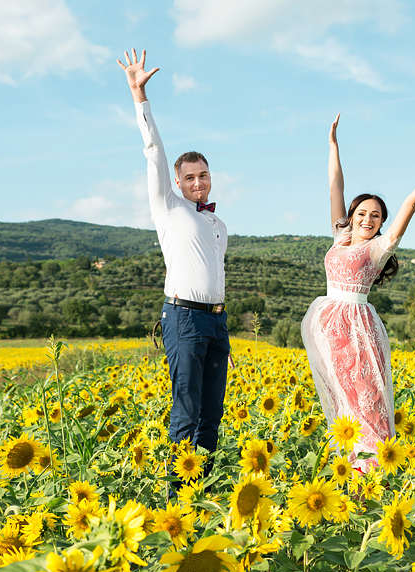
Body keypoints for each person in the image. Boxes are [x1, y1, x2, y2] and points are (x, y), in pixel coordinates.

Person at [301, 113, 415, 469]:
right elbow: (335, 186)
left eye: (376, 216)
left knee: (368, 399)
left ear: (382, 223)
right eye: (363, 213)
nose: (368, 219)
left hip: (358, 330)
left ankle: (375, 468)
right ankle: (351, 468)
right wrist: (332, 145)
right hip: (329, 330)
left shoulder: (379, 247)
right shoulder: (341, 236)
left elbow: (411, 203)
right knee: (344, 401)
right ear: (352, 216)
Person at [118, 48, 229, 490]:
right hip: (183, 317)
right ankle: (176, 494)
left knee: (213, 410)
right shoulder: (169, 208)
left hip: (217, 321)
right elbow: (154, 152)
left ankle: (204, 484)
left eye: (203, 175)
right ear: (178, 183)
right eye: (190, 177)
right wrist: (139, 97)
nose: (198, 182)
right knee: (185, 405)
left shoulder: (218, 223)